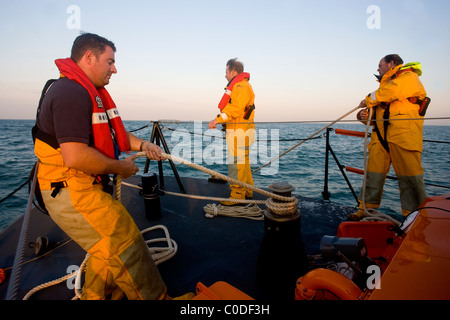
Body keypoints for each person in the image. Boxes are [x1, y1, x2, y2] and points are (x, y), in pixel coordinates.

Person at [33, 33, 168, 299]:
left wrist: (143, 145)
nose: (114, 69)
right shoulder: (70, 93)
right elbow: (75, 156)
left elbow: (111, 134)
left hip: (84, 183)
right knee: (125, 240)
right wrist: (121, 167)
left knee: (105, 248)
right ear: (89, 57)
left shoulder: (84, 91)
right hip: (71, 189)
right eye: (110, 61)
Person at [349, 54, 428, 220]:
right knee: (372, 176)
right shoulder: (384, 89)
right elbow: (378, 113)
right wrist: (364, 116)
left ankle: (415, 217)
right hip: (380, 139)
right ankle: (365, 209)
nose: (378, 69)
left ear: (392, 63)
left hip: (403, 137)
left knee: (410, 179)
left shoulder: (408, 77)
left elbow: (391, 92)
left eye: (380, 65)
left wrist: (367, 100)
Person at [209, 59, 255, 205]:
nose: (225, 76)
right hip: (243, 130)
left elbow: (235, 108)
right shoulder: (244, 85)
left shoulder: (240, 86)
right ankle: (247, 190)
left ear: (233, 72)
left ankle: (237, 194)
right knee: (243, 161)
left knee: (236, 162)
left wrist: (218, 119)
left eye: (226, 72)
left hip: (238, 131)